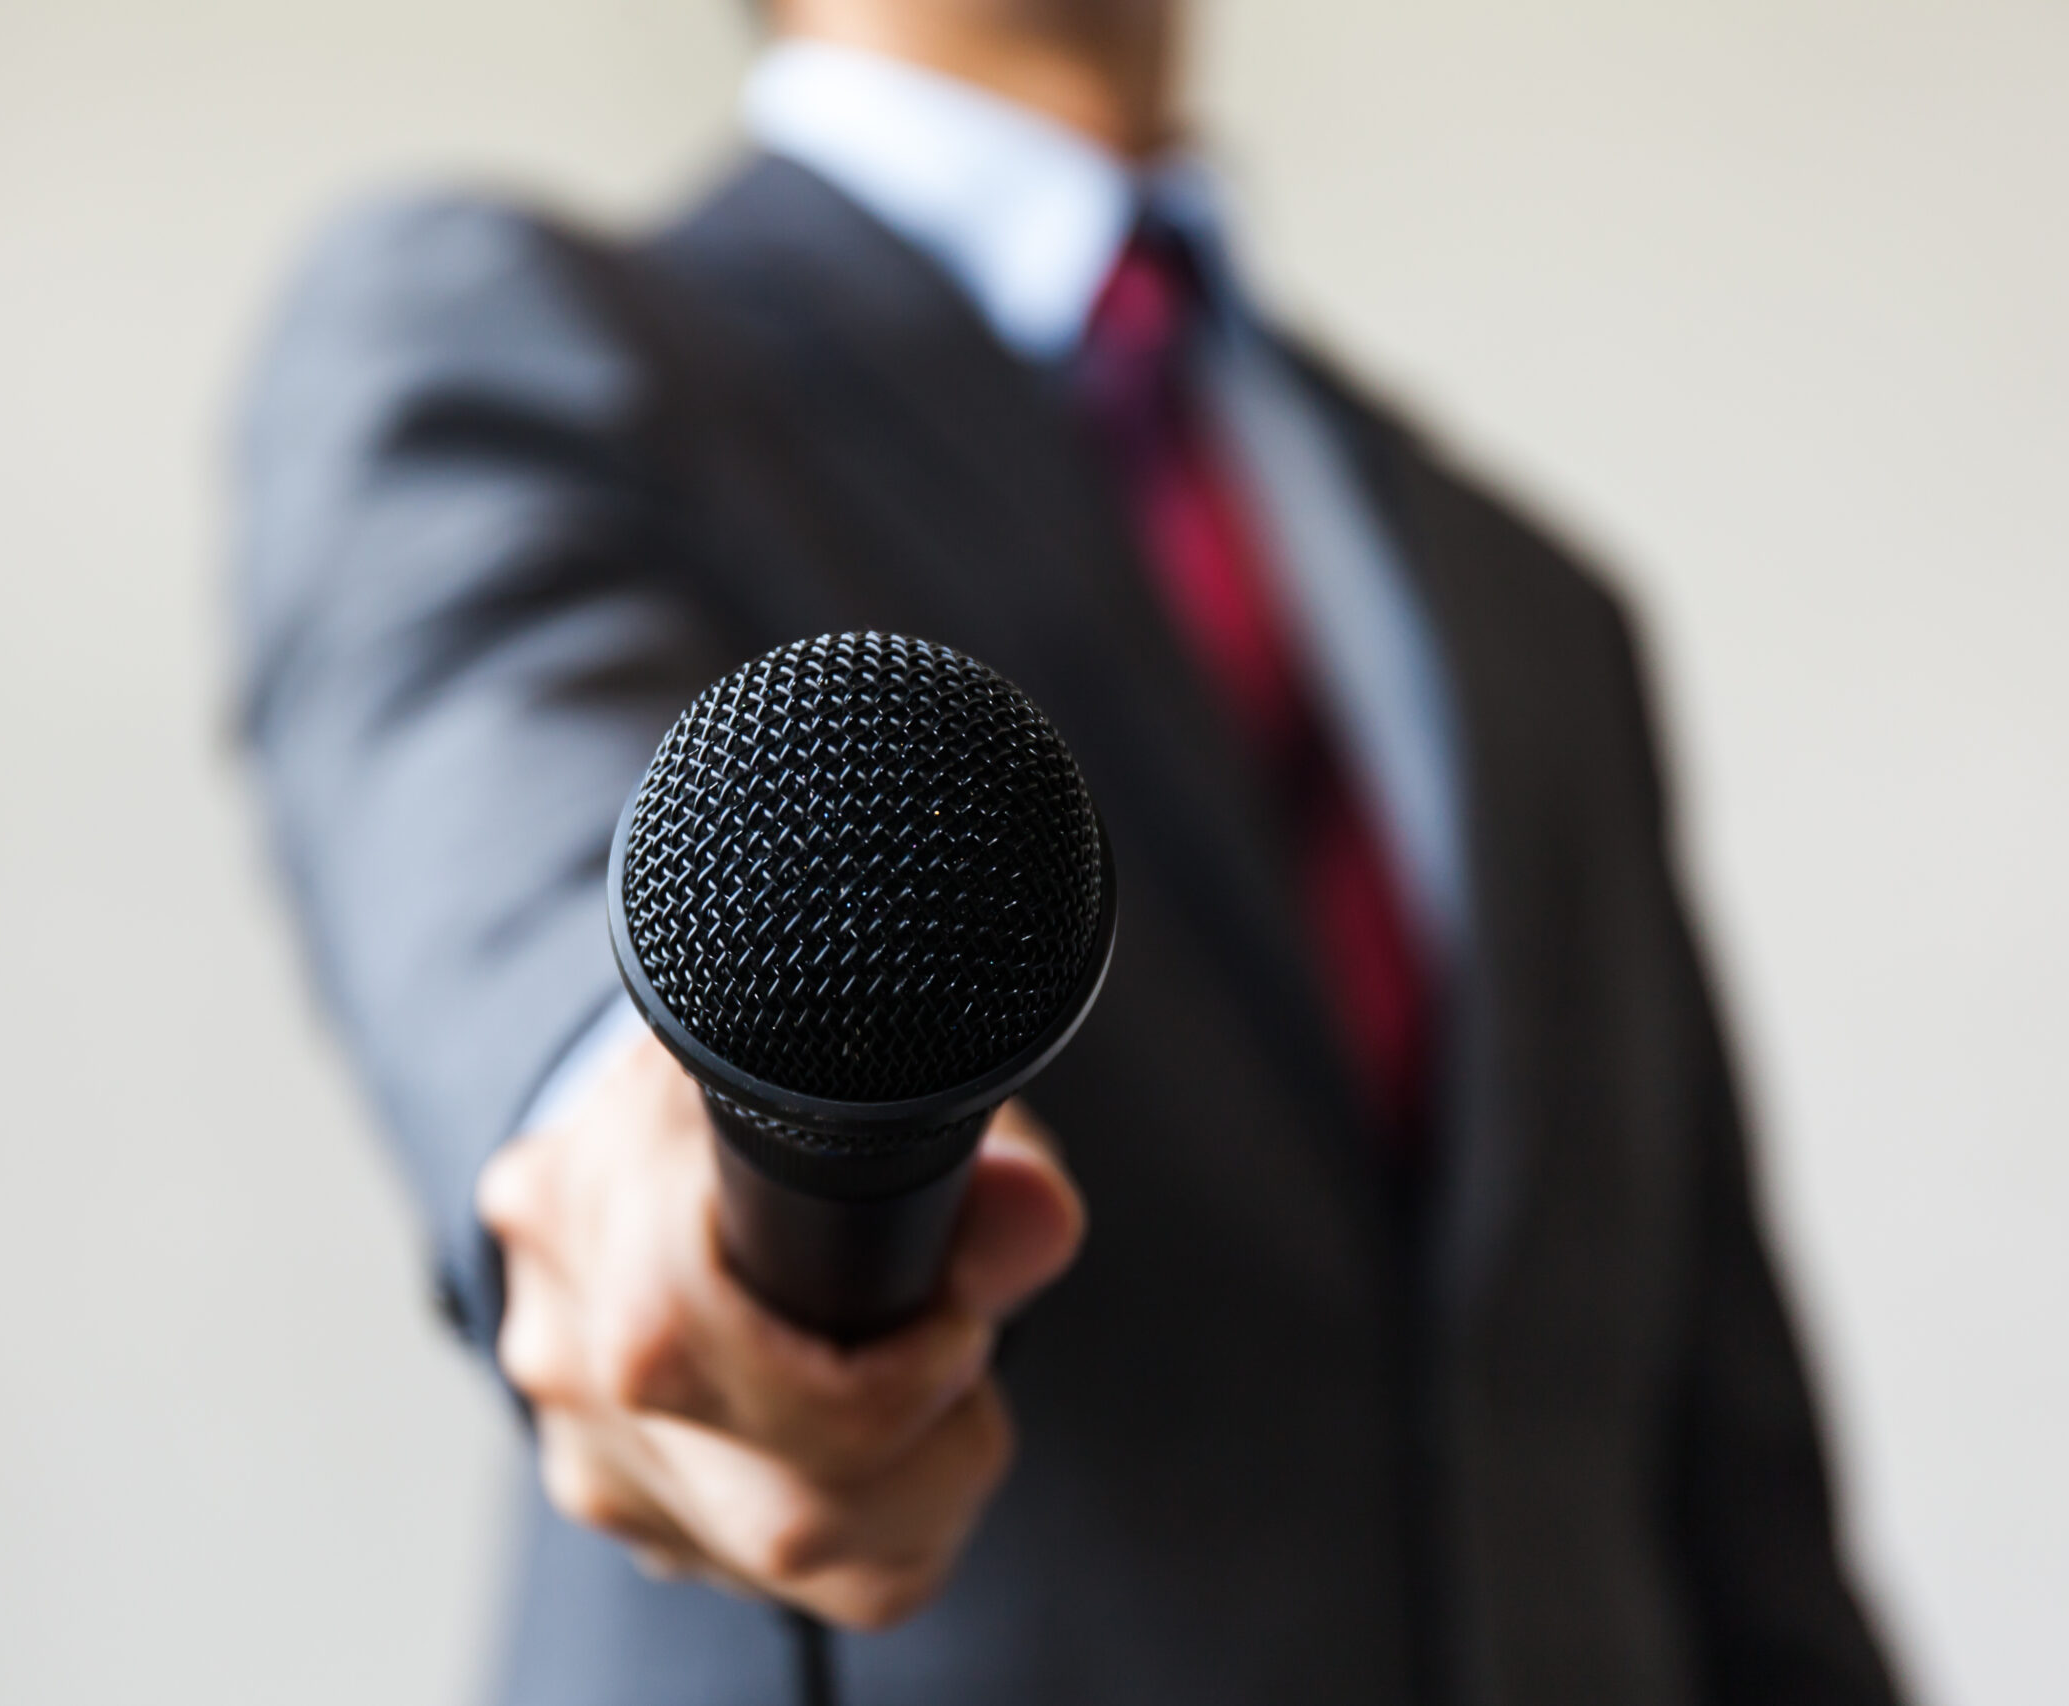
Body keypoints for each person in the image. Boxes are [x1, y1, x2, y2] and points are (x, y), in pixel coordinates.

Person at [233, 1, 1907, 1701]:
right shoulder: (507, 336)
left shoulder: (1534, 603)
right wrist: (676, 1158)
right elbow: (501, 816)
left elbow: (1736, 1506)